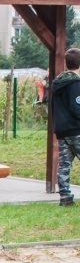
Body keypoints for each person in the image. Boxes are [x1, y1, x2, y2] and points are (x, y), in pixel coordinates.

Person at [51, 47, 80, 207]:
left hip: (62, 130)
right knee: (64, 164)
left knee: (63, 165)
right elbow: (77, 107)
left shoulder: (58, 82)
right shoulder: (75, 83)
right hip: (76, 130)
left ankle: (65, 197)